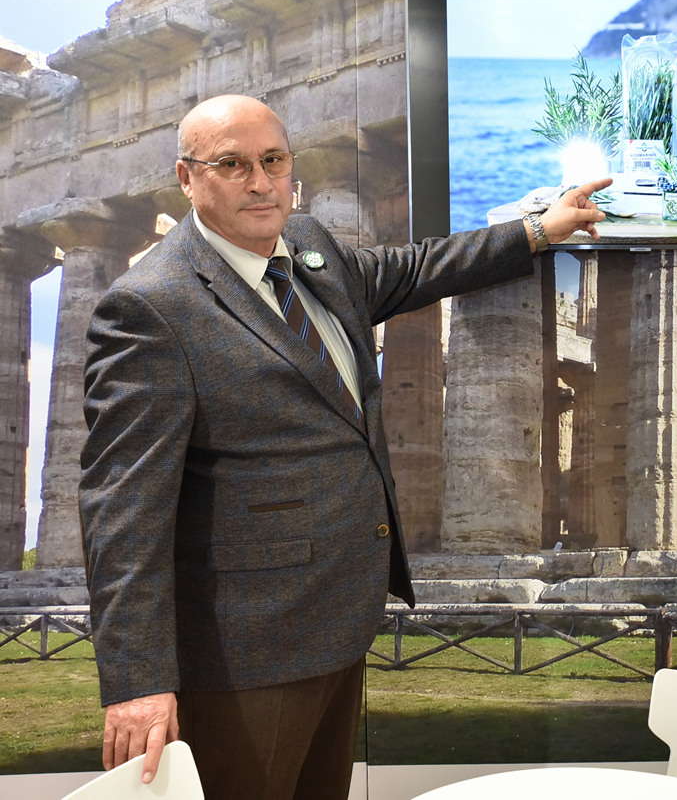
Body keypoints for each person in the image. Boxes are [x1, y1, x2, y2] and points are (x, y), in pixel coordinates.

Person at [77, 94, 609, 798]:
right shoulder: (151, 305)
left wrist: (537, 231)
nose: (260, 182)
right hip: (244, 651)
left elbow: (414, 269)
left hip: (338, 621)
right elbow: (123, 510)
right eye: (232, 165)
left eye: (273, 160)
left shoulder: (309, 246)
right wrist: (138, 680)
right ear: (187, 177)